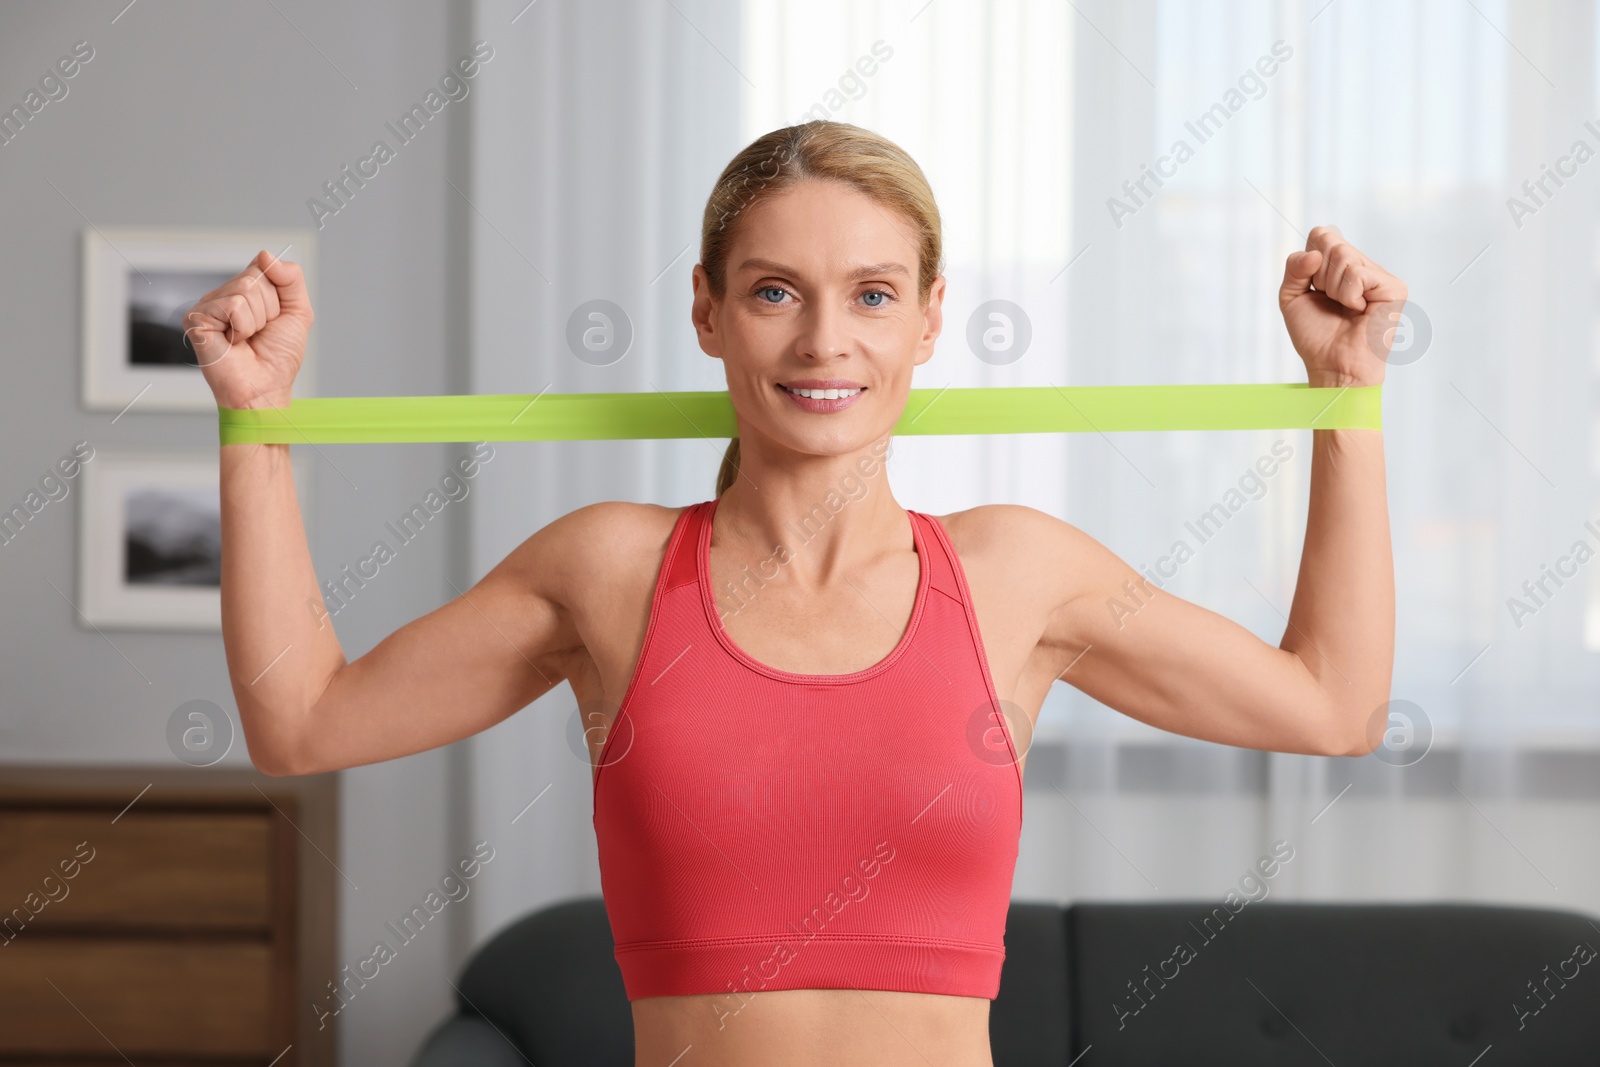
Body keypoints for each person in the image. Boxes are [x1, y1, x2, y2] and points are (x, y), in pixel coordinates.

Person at [185, 120, 1398, 1067]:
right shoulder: (608, 571)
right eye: (775, 291)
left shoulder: (1014, 574)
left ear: (928, 322)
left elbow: (1331, 705)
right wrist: (256, 428)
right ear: (708, 311)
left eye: (873, 294)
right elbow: (304, 720)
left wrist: (1346, 398)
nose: (826, 340)